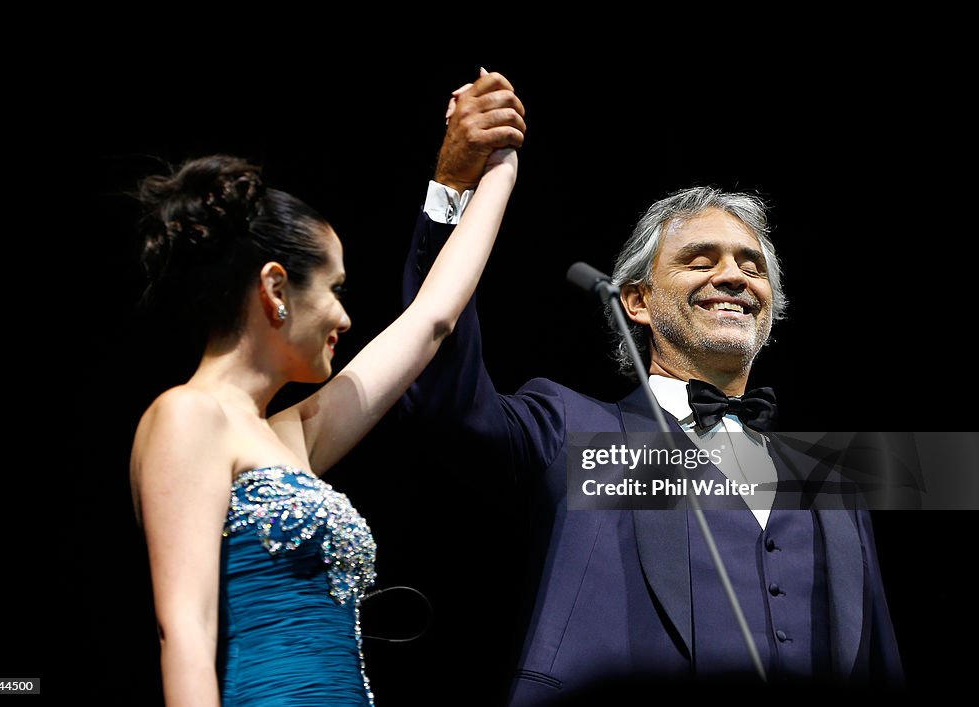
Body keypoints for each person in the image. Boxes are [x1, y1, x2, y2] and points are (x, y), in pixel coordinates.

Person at [401, 75, 904, 703]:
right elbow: (441, 382)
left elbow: (877, 654)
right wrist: (453, 192)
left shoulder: (831, 477)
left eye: (752, 266)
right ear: (636, 301)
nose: (734, 277)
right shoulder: (568, 428)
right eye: (700, 260)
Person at [128, 73, 524, 706]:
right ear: (276, 289)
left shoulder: (287, 438)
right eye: (334, 290)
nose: (345, 318)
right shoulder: (187, 416)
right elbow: (185, 631)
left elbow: (432, 319)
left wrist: (497, 166)